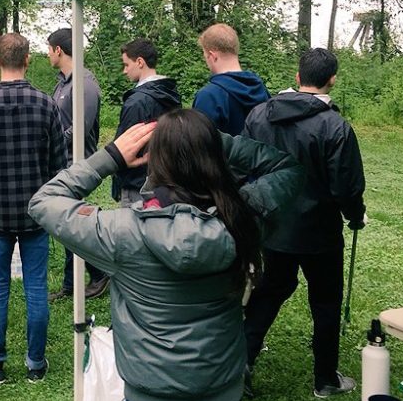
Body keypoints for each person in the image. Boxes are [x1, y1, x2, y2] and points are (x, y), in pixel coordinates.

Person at [29, 110, 303, 401]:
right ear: (214, 157)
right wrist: (205, 141)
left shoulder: (122, 233)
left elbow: (45, 202)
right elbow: (288, 168)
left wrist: (110, 157)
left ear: (156, 162)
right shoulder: (244, 217)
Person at [242, 48, 366, 399]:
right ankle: (325, 378)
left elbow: (244, 167)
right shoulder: (335, 126)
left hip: (272, 225)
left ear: (298, 78)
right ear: (332, 81)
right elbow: (347, 185)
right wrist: (355, 215)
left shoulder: (257, 116)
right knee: (325, 302)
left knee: (267, 293)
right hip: (319, 234)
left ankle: (241, 365)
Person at [0, 33, 66, 384]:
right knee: (36, 286)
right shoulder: (46, 103)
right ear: (27, 60)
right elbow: (59, 165)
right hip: (36, 211)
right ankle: (35, 364)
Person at [43, 28, 108, 302]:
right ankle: (72, 284)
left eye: (49, 49)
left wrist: (50, 142)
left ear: (59, 50)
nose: (47, 54)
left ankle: (100, 270)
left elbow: (79, 129)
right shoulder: (63, 82)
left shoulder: (85, 84)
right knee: (66, 223)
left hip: (77, 163)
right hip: (61, 162)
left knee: (69, 224)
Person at [112, 39, 181, 206]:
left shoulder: (137, 102)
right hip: (165, 184)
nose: (124, 70)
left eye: (126, 64)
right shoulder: (171, 95)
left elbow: (125, 147)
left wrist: (118, 181)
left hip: (136, 185)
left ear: (140, 62)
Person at [194, 23, 270, 135]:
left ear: (212, 56)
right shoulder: (260, 89)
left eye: (205, 56)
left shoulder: (209, 96)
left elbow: (199, 143)